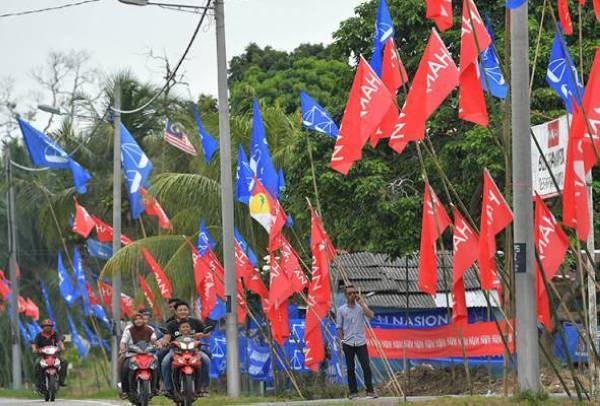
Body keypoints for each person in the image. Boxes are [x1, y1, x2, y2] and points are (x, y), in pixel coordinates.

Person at [161, 301, 211, 396]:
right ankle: (167, 388)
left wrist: (202, 334)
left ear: (188, 311)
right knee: (165, 362)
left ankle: (203, 387)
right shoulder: (171, 324)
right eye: (180, 310)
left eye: (185, 309)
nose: (183, 311)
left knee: (206, 359)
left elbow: (207, 333)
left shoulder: (196, 322)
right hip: (176, 351)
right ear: (176, 312)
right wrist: (165, 341)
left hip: (194, 350)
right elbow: (167, 336)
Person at [336, 285, 377, 399]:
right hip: (348, 343)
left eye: (354, 292)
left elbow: (371, 315)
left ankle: (370, 391)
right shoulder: (341, 310)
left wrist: (362, 303)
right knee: (350, 368)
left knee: (366, 366)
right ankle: (353, 392)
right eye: (349, 293)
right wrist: (343, 340)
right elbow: (339, 327)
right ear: (345, 295)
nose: (352, 295)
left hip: (360, 342)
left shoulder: (360, 308)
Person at [118, 312, 158, 398]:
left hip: (147, 353)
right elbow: (123, 341)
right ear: (133, 321)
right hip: (132, 354)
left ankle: (155, 387)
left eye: (140, 318)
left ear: (143, 320)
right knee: (125, 367)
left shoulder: (149, 329)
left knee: (156, 363)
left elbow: (154, 340)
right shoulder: (129, 329)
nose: (138, 321)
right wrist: (122, 348)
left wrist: (157, 344)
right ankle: (124, 390)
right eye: (136, 319)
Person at [31, 319, 68, 390]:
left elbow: (59, 341)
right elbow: (34, 344)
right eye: (46, 326)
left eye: (49, 326)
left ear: (52, 327)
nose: (48, 327)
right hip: (43, 356)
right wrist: (35, 349)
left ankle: (61, 380)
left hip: (54, 355)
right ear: (42, 327)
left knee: (64, 362)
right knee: (37, 364)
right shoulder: (39, 335)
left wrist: (62, 347)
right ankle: (38, 384)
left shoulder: (55, 334)